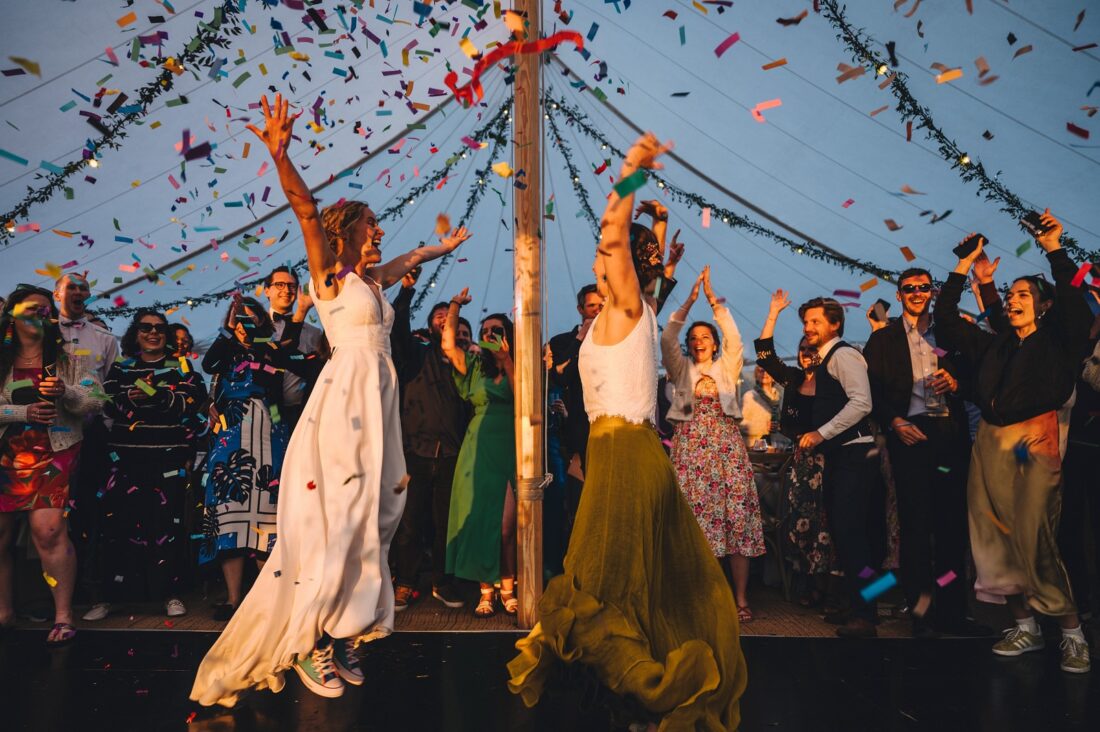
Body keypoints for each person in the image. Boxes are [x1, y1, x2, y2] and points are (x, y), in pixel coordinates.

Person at [192, 93, 470, 705]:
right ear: (349, 232)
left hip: (379, 401)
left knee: (379, 516)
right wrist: (280, 153)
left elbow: (406, 261)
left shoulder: (372, 279)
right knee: (339, 519)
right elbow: (306, 210)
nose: (379, 235)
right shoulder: (329, 277)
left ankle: (349, 627)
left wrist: (437, 252)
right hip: (344, 400)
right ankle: (316, 638)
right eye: (371, 226)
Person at [509, 133, 746, 730]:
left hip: (626, 450)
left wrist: (631, 171)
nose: (596, 260)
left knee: (607, 572)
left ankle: (638, 686)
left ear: (622, 265)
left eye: (604, 258)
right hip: (618, 449)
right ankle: (625, 687)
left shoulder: (625, 308)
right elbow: (634, 255)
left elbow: (614, 235)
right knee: (626, 570)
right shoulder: (634, 311)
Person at [934, 213, 1093, 673]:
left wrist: (1053, 248)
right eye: (1011, 294)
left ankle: (1071, 633)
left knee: (1034, 536)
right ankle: (1023, 627)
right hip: (988, 442)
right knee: (992, 540)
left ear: (1042, 306)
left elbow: (1077, 310)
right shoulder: (995, 344)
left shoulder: (1059, 341)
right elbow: (945, 323)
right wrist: (964, 267)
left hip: (1034, 442)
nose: (1014, 299)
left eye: (1023, 294)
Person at [863, 267, 989, 638]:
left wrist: (957, 382)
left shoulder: (952, 332)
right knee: (915, 527)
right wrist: (895, 422)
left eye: (923, 287)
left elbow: (978, 381)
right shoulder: (883, 340)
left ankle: (954, 611)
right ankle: (921, 610)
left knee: (951, 526)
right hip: (908, 435)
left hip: (948, 435)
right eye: (909, 288)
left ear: (932, 292)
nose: (917, 292)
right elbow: (870, 392)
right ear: (899, 295)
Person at [0, 286, 104, 643]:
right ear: (12, 314)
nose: (41, 315)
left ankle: (63, 615)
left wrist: (68, 393)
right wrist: (20, 411)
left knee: (48, 530)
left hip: (54, 449)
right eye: (33, 308)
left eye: (47, 310)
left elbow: (95, 399)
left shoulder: (71, 355)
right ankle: (4, 611)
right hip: (5, 454)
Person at [661, 266, 764, 622]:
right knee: (694, 523)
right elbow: (667, 337)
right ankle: (696, 597)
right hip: (690, 451)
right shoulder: (680, 368)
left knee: (735, 520)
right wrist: (688, 302)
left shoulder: (727, 367)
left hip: (726, 451)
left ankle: (739, 600)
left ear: (715, 343)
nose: (699, 340)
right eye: (695, 337)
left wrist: (712, 300)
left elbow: (735, 337)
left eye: (706, 336)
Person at [199, 295, 302, 619]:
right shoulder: (225, 351)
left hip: (270, 433)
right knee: (231, 509)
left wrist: (262, 338)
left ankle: (266, 598)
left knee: (269, 515)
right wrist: (230, 332)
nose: (244, 322)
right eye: (238, 318)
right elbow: (207, 365)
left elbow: (283, 381)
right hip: (232, 434)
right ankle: (233, 599)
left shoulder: (272, 350)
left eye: (250, 318)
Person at [99, 309, 207, 617]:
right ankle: (112, 597)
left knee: (167, 526)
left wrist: (151, 395)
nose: (153, 332)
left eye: (159, 328)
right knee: (119, 526)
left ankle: (170, 593)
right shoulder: (121, 367)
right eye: (146, 327)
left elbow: (186, 403)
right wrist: (142, 397)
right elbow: (108, 403)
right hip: (126, 459)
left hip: (167, 459)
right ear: (136, 334)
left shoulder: (181, 366)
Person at [790, 296, 882, 637]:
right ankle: (856, 606)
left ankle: (866, 615)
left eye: (815, 322)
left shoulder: (843, 355)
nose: (808, 328)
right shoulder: (827, 358)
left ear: (834, 325)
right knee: (846, 536)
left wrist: (820, 433)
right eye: (806, 322)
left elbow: (863, 402)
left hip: (856, 456)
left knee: (854, 536)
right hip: (840, 456)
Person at [387, 272, 469, 613]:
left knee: (445, 523)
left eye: (453, 322)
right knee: (409, 523)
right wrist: (406, 291)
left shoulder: (467, 362)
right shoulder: (415, 353)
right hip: (414, 453)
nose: (447, 323)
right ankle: (404, 583)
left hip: (452, 454)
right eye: (440, 318)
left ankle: (441, 581)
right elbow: (396, 330)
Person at [754, 293, 835, 608]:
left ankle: (829, 590)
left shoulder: (833, 379)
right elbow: (764, 354)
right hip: (800, 463)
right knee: (799, 524)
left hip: (829, 460)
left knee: (827, 525)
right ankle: (804, 584)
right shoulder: (793, 379)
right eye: (802, 349)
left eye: (812, 349)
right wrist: (773, 312)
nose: (807, 353)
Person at [441, 291, 517, 617]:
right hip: (478, 446)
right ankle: (487, 591)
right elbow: (447, 345)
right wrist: (455, 306)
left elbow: (524, 400)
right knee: (480, 519)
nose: (489, 336)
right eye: (485, 331)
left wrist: (507, 361)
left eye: (496, 331)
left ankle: (509, 584)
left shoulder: (519, 365)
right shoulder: (473, 366)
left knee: (505, 525)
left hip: (511, 445)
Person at [53, 274, 120, 624]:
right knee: (49, 517)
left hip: (91, 434)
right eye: (71, 287)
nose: (77, 292)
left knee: (89, 513)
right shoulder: (44, 332)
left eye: (83, 288)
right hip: (46, 433)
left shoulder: (105, 338)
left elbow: (110, 385)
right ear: (57, 293)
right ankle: (46, 596)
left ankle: (92, 593)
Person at [262, 266, 328, 430]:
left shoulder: (314, 333)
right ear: (266, 291)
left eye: (291, 286)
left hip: (303, 412)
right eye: (279, 285)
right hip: (264, 412)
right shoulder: (255, 328)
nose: (286, 290)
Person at [741, 365, 783, 448]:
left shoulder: (779, 398)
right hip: (754, 448)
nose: (765, 373)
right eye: (761, 371)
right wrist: (764, 426)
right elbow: (740, 424)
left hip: (775, 447)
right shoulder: (750, 396)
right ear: (756, 375)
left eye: (769, 371)